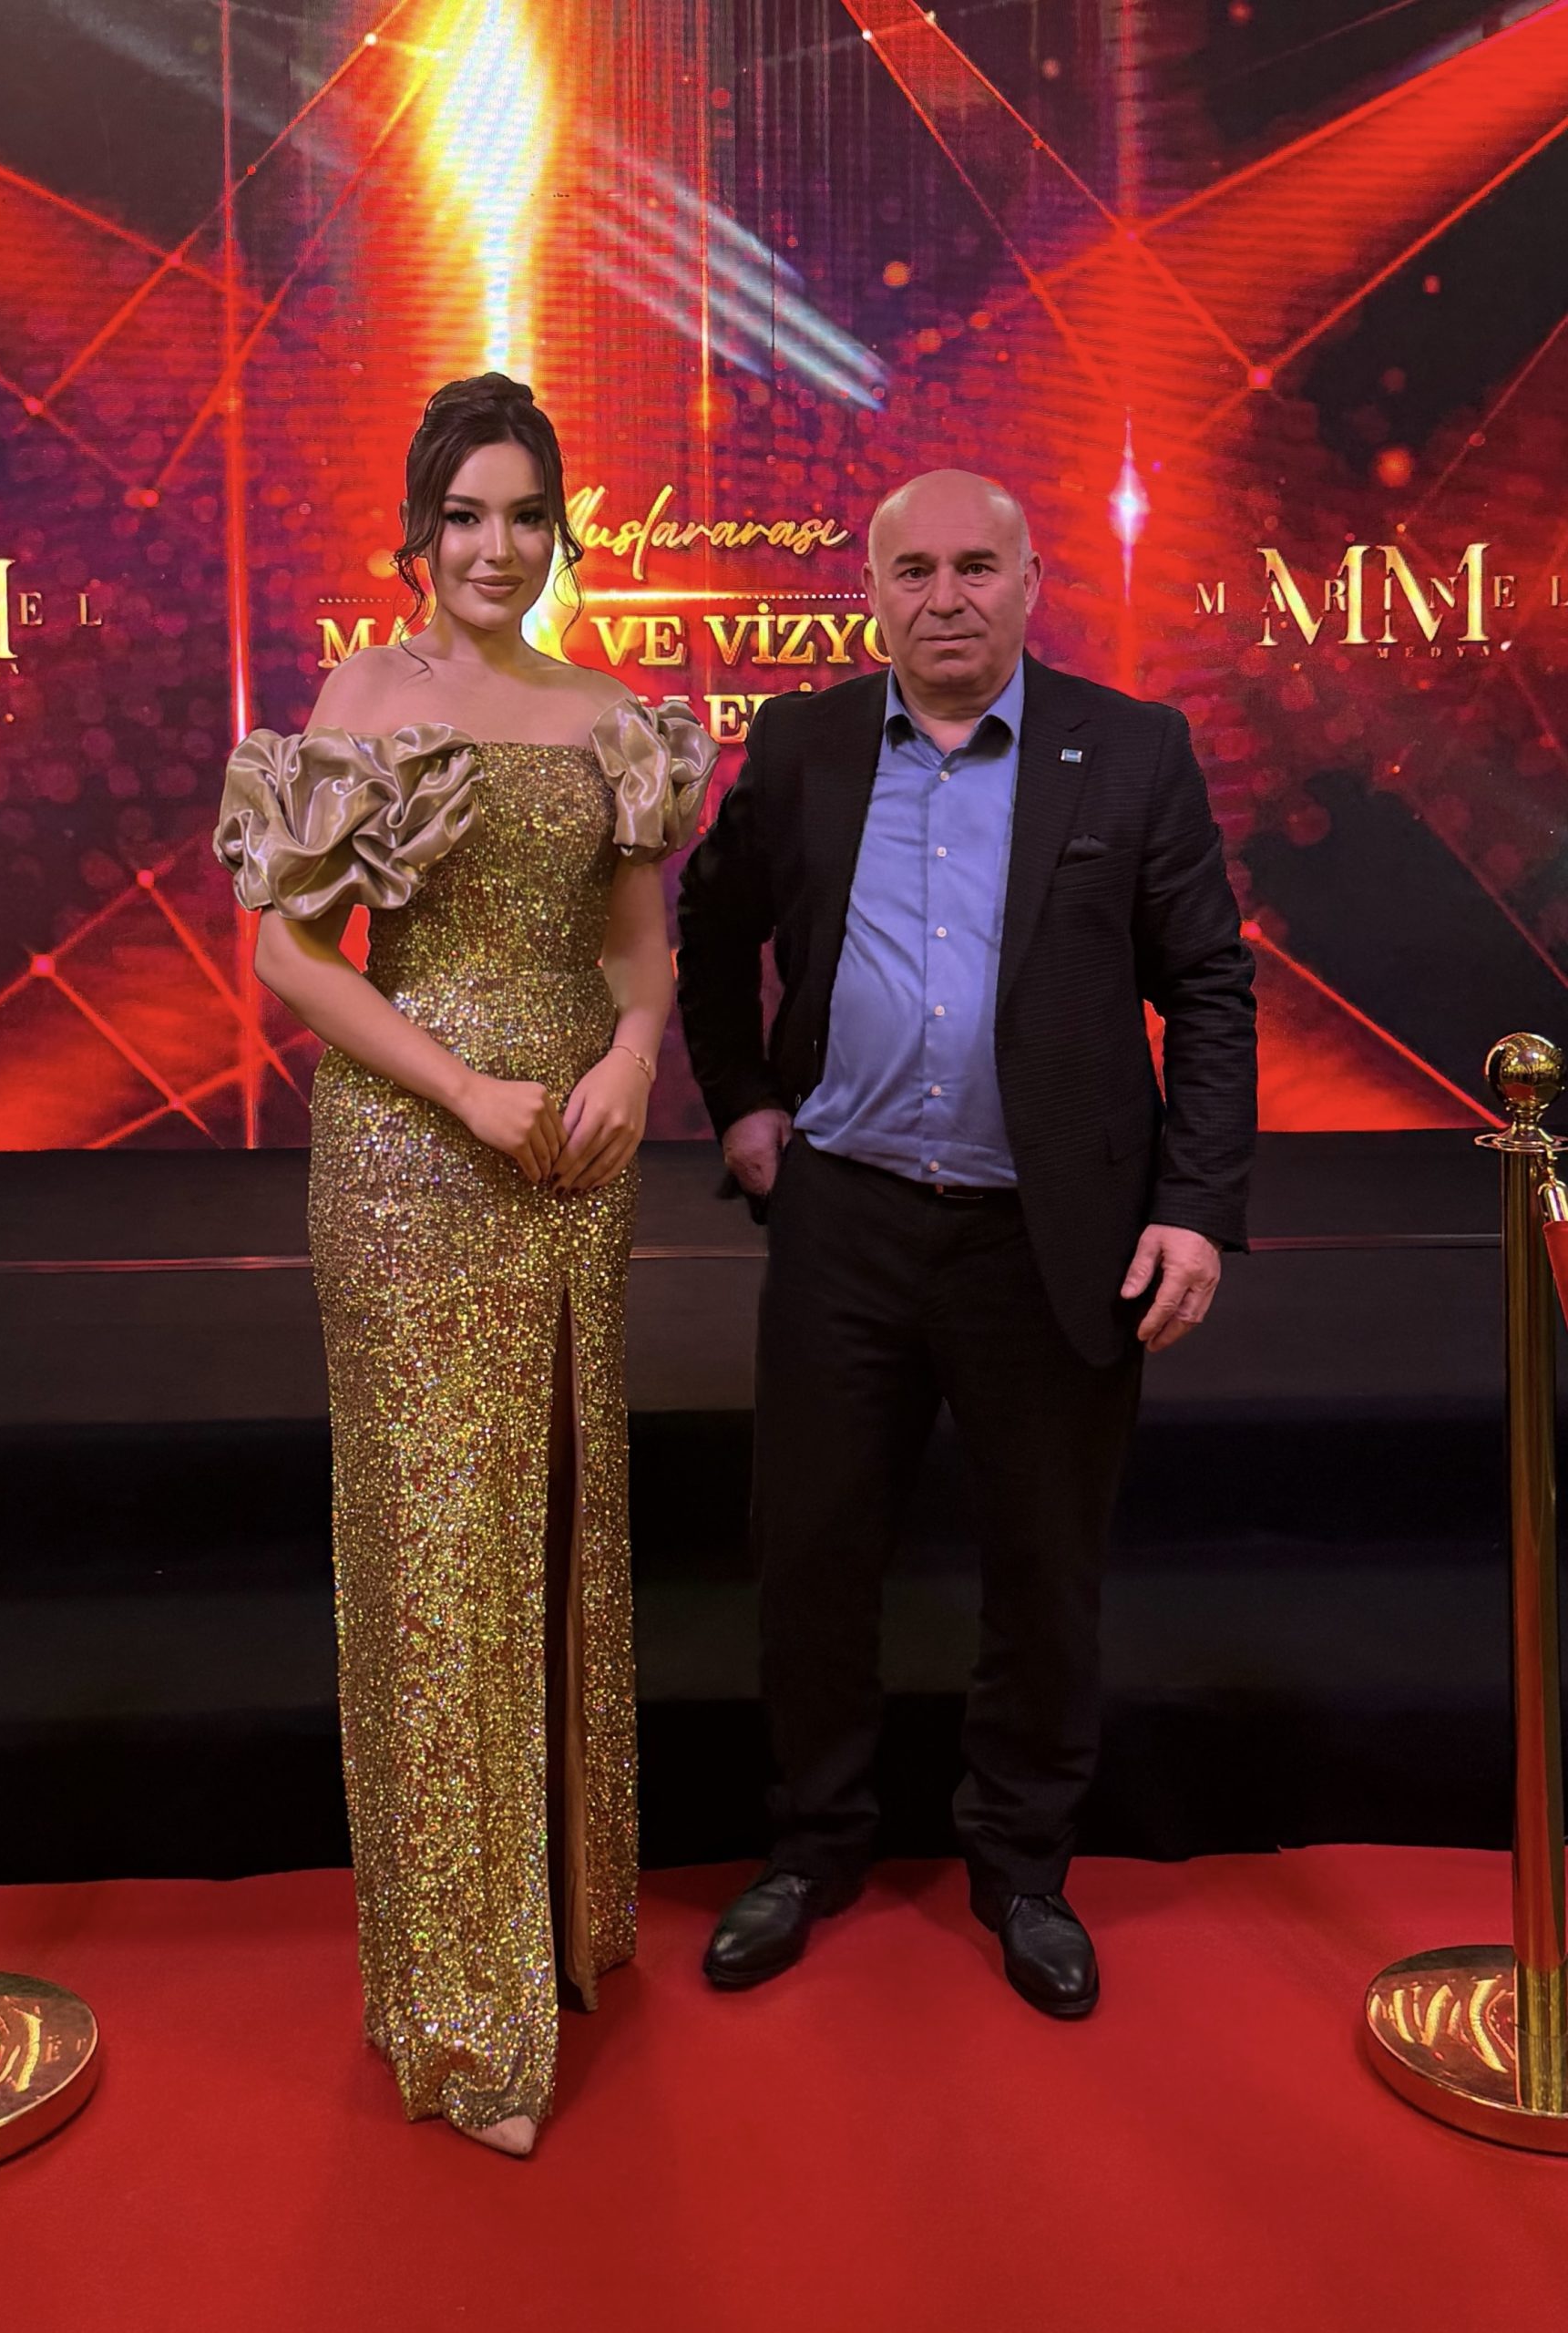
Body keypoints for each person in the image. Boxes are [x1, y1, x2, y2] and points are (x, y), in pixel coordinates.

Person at [676, 469, 1256, 2015]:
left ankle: (1022, 1866)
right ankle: (814, 1846)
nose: (946, 597)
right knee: (811, 1550)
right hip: (846, 1219)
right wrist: (742, 1102)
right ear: (870, 592)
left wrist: (1194, 1207)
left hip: (1052, 1235)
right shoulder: (800, 747)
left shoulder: (1131, 750)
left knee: (1046, 1565)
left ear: (1031, 581)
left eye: (977, 567)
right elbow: (710, 934)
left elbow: (1208, 989)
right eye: (915, 570)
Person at [214, 374, 715, 2155]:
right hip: (410, 1156)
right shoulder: (362, 697)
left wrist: (630, 1061)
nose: (496, 548)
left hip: (574, 1157)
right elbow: (292, 958)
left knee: (557, 1520)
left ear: (559, 532)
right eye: (466, 516)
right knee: (438, 1557)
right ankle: (459, 2006)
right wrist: (464, 1089)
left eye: (526, 517)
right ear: (417, 532)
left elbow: (641, 953)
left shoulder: (610, 716)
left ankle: (562, 1925)